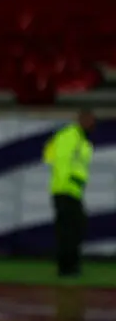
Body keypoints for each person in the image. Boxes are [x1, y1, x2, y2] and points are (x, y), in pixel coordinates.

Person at [43, 110, 95, 277]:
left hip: (72, 191)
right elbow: (61, 159)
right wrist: (67, 180)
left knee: (72, 229)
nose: (92, 124)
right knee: (69, 231)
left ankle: (69, 266)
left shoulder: (81, 139)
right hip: (65, 190)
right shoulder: (70, 135)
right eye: (90, 120)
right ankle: (67, 268)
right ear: (82, 120)